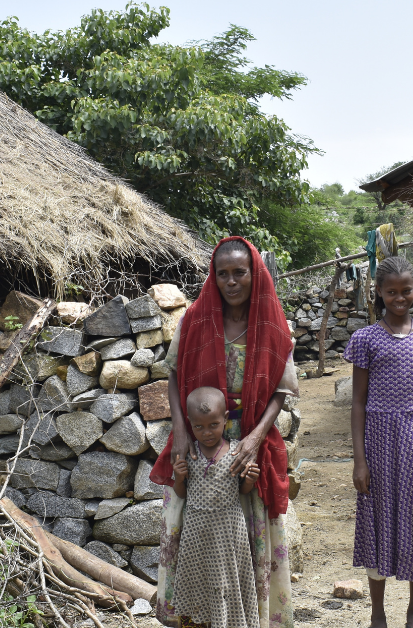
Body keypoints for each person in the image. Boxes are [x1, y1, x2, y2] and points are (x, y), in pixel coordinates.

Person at [150, 236, 298, 628]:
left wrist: (254, 438)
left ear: (255, 274)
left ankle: (248, 618)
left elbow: (281, 391)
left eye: (239, 272)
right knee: (186, 525)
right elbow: (174, 375)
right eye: (223, 274)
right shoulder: (195, 320)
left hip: (249, 440)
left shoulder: (272, 324)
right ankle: (192, 618)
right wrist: (181, 430)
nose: (231, 281)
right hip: (198, 440)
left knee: (249, 531)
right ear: (213, 277)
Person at [344, 256, 413, 628]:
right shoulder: (365, 340)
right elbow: (358, 403)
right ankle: (377, 614)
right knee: (378, 520)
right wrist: (360, 461)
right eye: (391, 292)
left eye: (406, 290)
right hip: (378, 442)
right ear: (378, 292)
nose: (399, 297)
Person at [170, 387, 261, 628]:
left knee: (229, 583)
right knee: (196, 583)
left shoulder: (236, 452)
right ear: (189, 424)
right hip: (196, 536)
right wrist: (179, 478)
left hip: (228, 533)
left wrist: (250, 479)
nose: (207, 432)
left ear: (226, 418)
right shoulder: (189, 454)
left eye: (214, 425)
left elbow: (243, 491)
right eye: (198, 427)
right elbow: (182, 494)